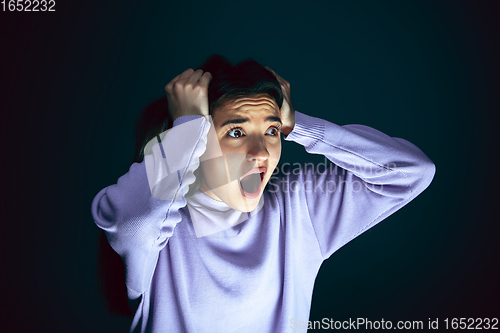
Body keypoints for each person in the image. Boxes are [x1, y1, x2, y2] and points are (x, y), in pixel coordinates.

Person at [91, 54, 436, 333]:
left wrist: (297, 124)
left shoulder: (299, 208)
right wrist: (187, 128)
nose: (261, 152)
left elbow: (411, 172)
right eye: (237, 131)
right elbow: (133, 220)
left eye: (271, 130)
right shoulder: (160, 231)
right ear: (193, 142)